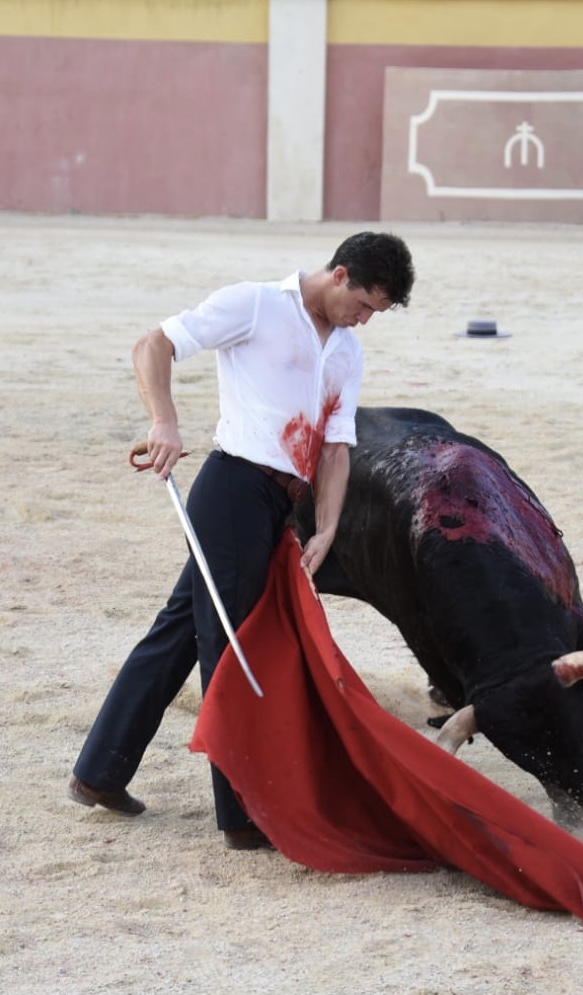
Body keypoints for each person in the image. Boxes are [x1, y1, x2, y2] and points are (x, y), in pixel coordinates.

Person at [68, 231, 415, 849]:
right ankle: (239, 815)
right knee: (227, 644)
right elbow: (155, 344)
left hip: (281, 505)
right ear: (340, 275)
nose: (365, 320)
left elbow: (336, 449)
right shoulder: (256, 304)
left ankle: (99, 773)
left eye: (375, 314)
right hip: (231, 489)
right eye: (364, 304)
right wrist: (164, 421)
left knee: (180, 630)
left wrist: (328, 526)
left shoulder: (347, 353)